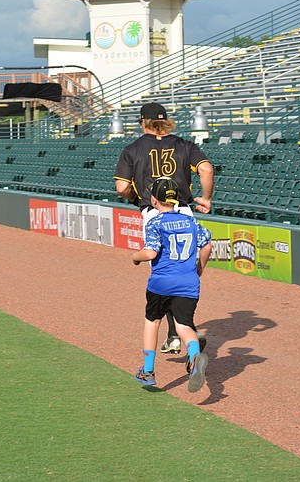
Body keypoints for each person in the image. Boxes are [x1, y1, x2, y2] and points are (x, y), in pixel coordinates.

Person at [115, 102, 214, 354]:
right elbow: (206, 168)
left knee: (163, 275)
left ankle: (176, 335)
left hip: (155, 213)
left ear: (142, 122)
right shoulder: (184, 145)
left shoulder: (133, 149)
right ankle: (180, 332)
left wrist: (134, 196)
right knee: (182, 273)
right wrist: (206, 198)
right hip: (183, 212)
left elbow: (121, 188)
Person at [131, 177, 213, 393]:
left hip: (161, 283)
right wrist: (200, 268)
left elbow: (150, 252)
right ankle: (195, 357)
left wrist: (136, 257)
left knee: (153, 321)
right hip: (188, 282)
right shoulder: (191, 222)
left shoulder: (155, 223)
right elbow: (207, 245)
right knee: (183, 324)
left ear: (154, 200)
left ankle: (148, 370)